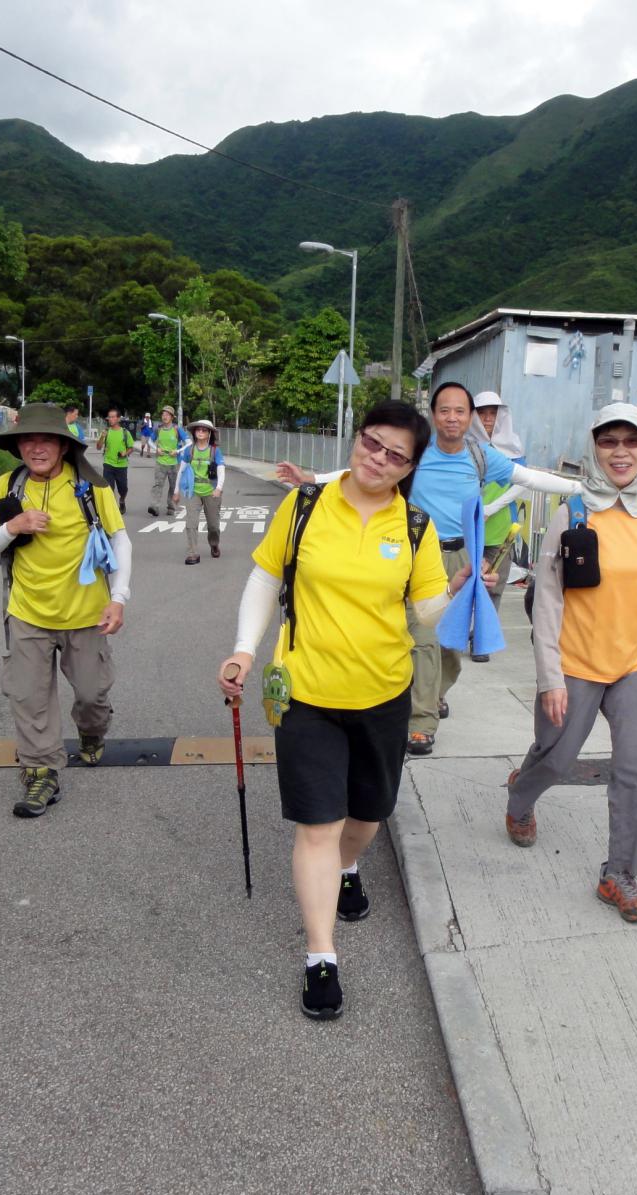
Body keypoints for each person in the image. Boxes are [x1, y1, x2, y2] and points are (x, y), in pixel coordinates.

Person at [219, 402, 491, 1021]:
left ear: (410, 468)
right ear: (357, 438)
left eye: (396, 455)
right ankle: (321, 956)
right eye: (372, 443)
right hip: (307, 693)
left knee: (368, 814)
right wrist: (243, 649)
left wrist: (457, 591)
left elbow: (422, 614)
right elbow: (265, 578)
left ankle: (349, 866)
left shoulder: (415, 527)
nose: (379, 460)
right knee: (317, 824)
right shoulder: (305, 505)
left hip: (383, 695)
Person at [280, 381, 581, 756]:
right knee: (423, 638)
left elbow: (529, 478)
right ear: (434, 415)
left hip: (461, 556)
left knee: (451, 645)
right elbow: (361, 469)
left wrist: (578, 490)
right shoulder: (417, 455)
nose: (452, 417)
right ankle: (421, 721)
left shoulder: (481, 456)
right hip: (415, 551)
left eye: (460, 411)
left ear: (470, 418)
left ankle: (435, 691)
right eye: (444, 410)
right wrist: (312, 479)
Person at [506, 403, 637, 925]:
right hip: (577, 662)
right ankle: (520, 798)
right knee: (556, 756)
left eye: (631, 442)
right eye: (609, 441)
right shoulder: (573, 514)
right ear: (594, 448)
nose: (620, 452)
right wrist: (550, 677)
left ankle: (620, 874)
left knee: (636, 771)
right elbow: (547, 598)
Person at [0, 403, 132, 817]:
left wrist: (119, 597)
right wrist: (13, 527)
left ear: (63, 446)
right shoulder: (7, 487)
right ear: (18, 446)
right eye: (29, 439)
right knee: (29, 698)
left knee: (93, 695)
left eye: (47, 440)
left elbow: (120, 539)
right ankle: (40, 770)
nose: (37, 448)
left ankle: (92, 731)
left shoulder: (90, 487)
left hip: (88, 614)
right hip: (28, 613)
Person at [469, 390, 527, 660]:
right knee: (464, 584)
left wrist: (492, 508)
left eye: (493, 413)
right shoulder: (465, 446)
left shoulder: (513, 447)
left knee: (493, 587)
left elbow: (522, 483)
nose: (488, 419)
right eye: (482, 413)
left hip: (501, 529)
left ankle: (482, 639)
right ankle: (459, 633)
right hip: (468, 529)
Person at [175, 418, 225, 564]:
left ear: (209, 433)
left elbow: (221, 470)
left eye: (204, 430)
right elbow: (181, 471)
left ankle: (214, 544)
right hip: (193, 492)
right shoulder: (189, 450)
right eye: (198, 429)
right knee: (191, 523)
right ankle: (193, 553)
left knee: (213, 526)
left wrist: (218, 488)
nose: (201, 432)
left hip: (211, 491)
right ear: (194, 432)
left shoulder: (215, 451)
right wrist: (176, 491)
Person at [148, 406, 186, 517]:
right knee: (158, 485)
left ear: (172, 417)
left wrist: (177, 451)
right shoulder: (158, 429)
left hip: (174, 463)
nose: (165, 416)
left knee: (173, 486)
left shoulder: (177, 429)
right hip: (160, 462)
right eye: (163, 414)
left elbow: (189, 442)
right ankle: (154, 506)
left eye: (167, 415)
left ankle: (171, 507)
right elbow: (150, 441)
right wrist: (156, 449)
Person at [100, 406, 136, 514]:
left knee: (123, 488)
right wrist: (102, 437)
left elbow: (131, 448)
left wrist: (125, 453)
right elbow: (98, 447)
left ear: (118, 418)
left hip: (121, 465)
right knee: (108, 488)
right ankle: (112, 509)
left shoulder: (125, 433)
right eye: (109, 417)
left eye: (113, 417)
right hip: (108, 464)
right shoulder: (106, 432)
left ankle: (122, 500)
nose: (110, 419)